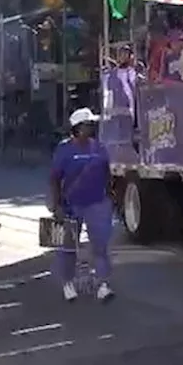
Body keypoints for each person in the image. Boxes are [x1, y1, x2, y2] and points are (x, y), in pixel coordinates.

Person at [49, 108, 115, 303]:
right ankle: (68, 283)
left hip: (97, 203)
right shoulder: (64, 149)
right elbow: (54, 179)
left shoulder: (98, 147)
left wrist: (110, 194)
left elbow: (106, 172)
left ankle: (103, 284)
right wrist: (57, 205)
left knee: (100, 245)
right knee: (68, 247)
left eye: (91, 124)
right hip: (71, 205)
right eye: (87, 125)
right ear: (77, 128)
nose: (91, 127)